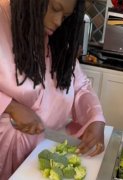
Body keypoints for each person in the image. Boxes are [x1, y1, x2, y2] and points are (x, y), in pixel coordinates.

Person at [0, 0, 106, 178]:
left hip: (40, 150)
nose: (58, 22)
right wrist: (11, 106)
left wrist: (96, 119)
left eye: (65, 16)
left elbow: (79, 84)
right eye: (55, 9)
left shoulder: (57, 39)